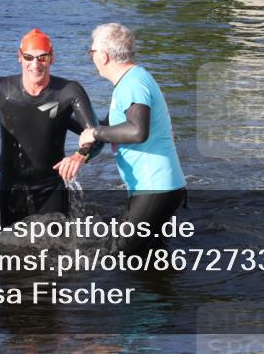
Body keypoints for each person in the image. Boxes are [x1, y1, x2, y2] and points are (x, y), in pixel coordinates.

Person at [0, 29, 103, 227]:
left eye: (42, 58)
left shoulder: (69, 91)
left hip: (52, 185)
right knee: (9, 247)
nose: (35, 64)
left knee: (56, 249)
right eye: (29, 57)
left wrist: (80, 155)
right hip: (12, 185)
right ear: (19, 57)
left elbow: (97, 135)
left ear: (52, 58)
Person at [78, 23, 186, 255]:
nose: (91, 57)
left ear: (104, 56)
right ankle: (159, 291)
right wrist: (81, 155)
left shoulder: (132, 83)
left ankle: (141, 291)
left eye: (92, 52)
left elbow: (138, 131)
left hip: (155, 189)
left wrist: (94, 133)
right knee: (151, 258)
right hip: (161, 188)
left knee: (117, 255)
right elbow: (110, 127)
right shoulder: (132, 80)